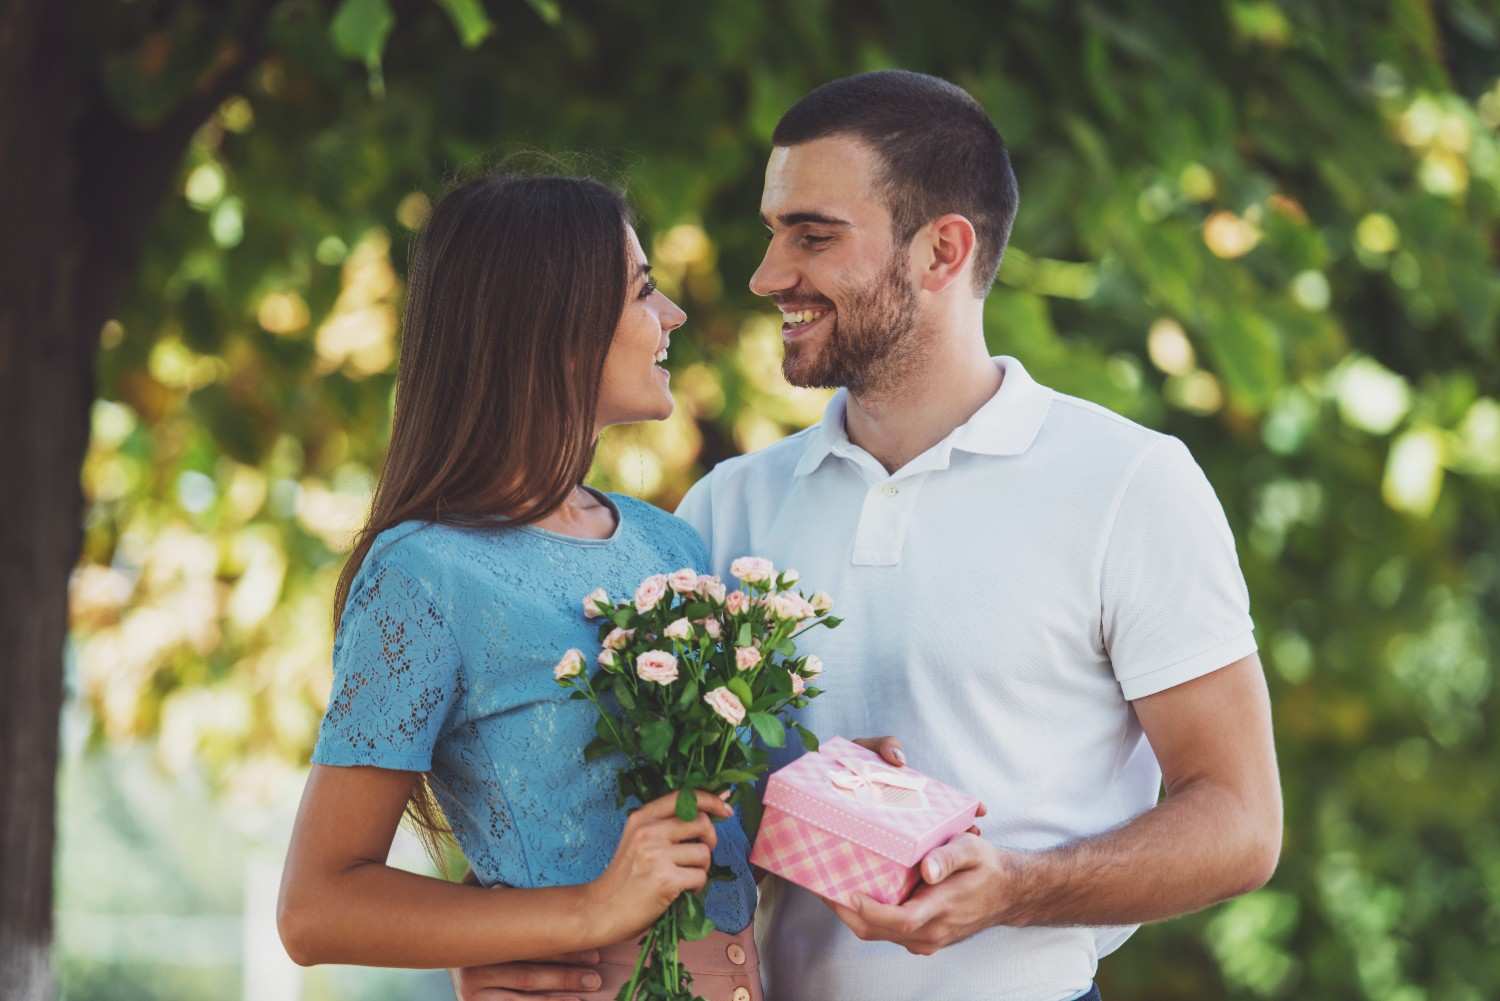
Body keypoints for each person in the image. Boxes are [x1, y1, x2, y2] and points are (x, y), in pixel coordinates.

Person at [453, 71, 1282, 1001]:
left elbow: (1241, 821)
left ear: (942, 251)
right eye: (773, 234)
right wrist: (518, 950)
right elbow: (665, 834)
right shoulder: (723, 512)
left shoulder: (1129, 482)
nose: (768, 277)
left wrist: (1014, 888)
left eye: (812, 236)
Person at [276, 172, 764, 1001]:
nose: (672, 316)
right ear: (558, 325)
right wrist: (579, 913)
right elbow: (316, 905)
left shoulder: (669, 541)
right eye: (645, 292)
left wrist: (850, 790)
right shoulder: (424, 576)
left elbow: (718, 824)